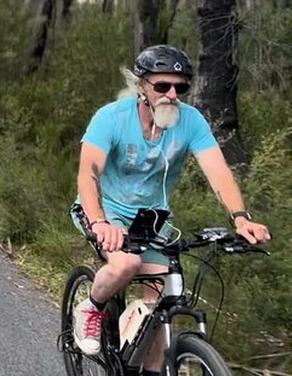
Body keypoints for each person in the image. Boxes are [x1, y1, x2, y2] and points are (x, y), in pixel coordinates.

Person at [69, 44, 271, 376]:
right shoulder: (111, 118)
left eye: (181, 86)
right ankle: (91, 309)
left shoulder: (190, 121)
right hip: (106, 211)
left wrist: (240, 218)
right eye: (163, 85)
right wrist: (100, 222)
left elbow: (218, 172)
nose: (173, 94)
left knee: (162, 306)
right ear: (141, 87)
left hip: (153, 221)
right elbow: (88, 173)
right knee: (127, 264)